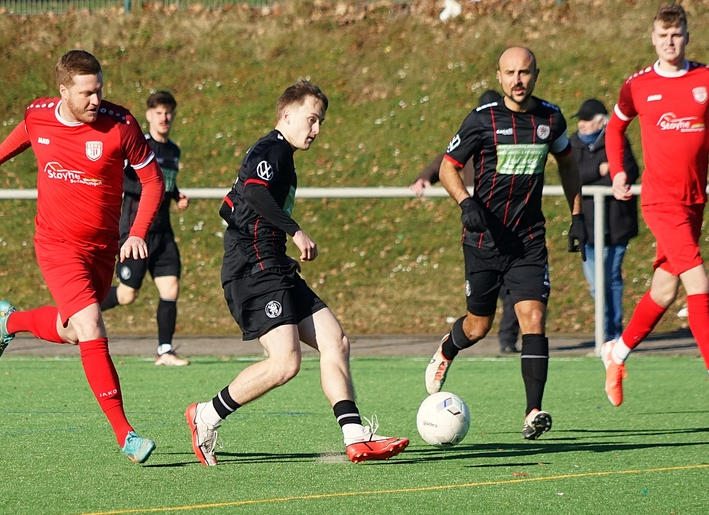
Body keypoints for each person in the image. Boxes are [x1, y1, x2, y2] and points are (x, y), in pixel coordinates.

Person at [185, 80, 409, 465]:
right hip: (254, 268)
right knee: (285, 363)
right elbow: (253, 192)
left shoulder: (279, 155)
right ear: (287, 115)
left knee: (335, 341)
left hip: (274, 264)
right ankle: (205, 415)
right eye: (311, 119)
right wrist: (295, 230)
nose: (316, 129)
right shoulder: (272, 148)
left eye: (320, 122)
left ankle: (355, 437)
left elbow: (232, 203)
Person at [0, 50, 164, 463]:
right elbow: (25, 131)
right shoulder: (39, 114)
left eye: (99, 89)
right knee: (91, 325)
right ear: (63, 91)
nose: (96, 100)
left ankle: (10, 321)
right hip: (56, 245)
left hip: (102, 249)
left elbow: (153, 180)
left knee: (74, 332)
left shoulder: (121, 124)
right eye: (87, 93)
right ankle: (125, 434)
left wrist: (136, 232)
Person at [424, 46, 586, 440]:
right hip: (483, 240)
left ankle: (533, 411)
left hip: (528, 241)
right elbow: (447, 167)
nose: (518, 80)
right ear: (498, 77)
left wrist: (578, 215)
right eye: (510, 73)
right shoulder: (482, 120)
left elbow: (567, 163)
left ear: (536, 75)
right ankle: (448, 349)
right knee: (478, 327)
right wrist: (466, 203)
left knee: (534, 318)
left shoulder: (551, 119)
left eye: (524, 72)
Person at [601, 3, 709, 410]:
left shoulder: (706, 79)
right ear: (653, 39)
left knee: (664, 290)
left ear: (687, 36)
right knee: (698, 283)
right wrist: (618, 172)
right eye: (663, 35)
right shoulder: (637, 85)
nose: (670, 42)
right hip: (660, 201)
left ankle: (616, 353)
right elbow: (615, 128)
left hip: (694, 201)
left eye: (676, 34)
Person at [411, 90, 522, 353]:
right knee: (485, 307)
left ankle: (508, 340)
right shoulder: (477, 133)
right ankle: (457, 344)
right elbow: (445, 160)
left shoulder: (515, 137)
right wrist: (425, 177)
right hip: (481, 229)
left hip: (515, 227)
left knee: (519, 292)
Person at [100, 91, 190, 366]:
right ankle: (79, 310)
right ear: (149, 115)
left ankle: (165, 351)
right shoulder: (140, 146)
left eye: (168, 112)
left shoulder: (173, 150)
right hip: (136, 232)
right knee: (127, 294)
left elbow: (165, 182)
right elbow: (123, 175)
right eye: (159, 112)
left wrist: (176, 195)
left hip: (163, 233)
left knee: (170, 288)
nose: (165, 118)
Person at [570, 98, 640, 343]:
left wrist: (604, 173)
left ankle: (614, 333)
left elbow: (628, 172)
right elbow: (571, 175)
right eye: (580, 120)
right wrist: (599, 170)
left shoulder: (618, 140)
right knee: (596, 285)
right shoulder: (573, 143)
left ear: (601, 122)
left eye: (587, 120)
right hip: (586, 226)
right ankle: (606, 330)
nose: (582, 124)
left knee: (611, 279)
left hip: (616, 223)